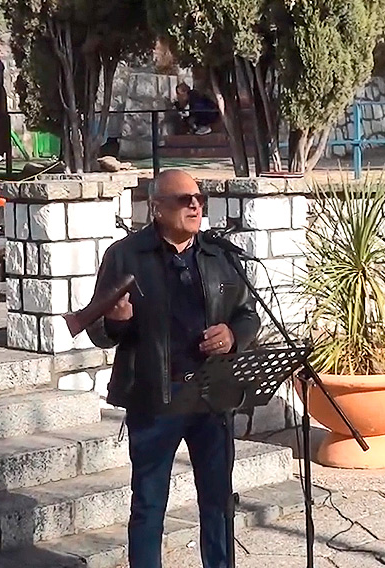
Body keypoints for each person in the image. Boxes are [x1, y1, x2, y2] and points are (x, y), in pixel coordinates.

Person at [86, 169, 259, 568]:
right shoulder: (125, 255)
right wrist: (118, 320)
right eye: (183, 200)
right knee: (149, 507)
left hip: (212, 399)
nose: (194, 205)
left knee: (218, 503)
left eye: (198, 198)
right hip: (154, 402)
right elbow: (98, 330)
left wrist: (233, 335)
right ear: (157, 208)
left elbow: (249, 315)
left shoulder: (220, 255)